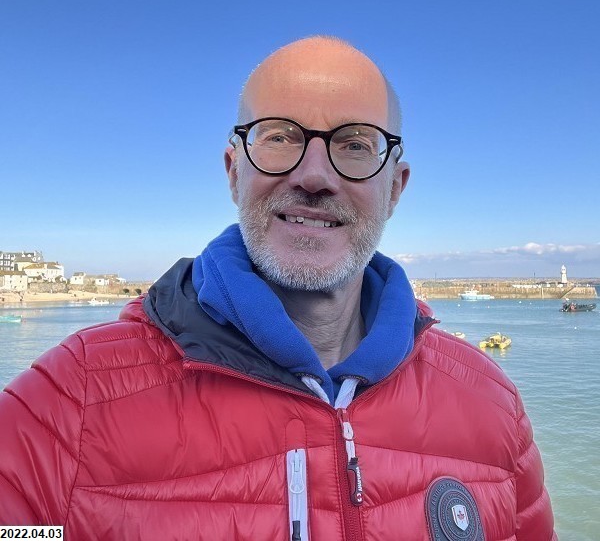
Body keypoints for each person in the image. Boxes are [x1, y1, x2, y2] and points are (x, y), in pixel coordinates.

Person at [0, 36, 555, 540]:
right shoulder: (67, 402)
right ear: (233, 171)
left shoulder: (493, 405)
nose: (314, 176)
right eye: (280, 137)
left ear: (395, 188)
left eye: (355, 145)